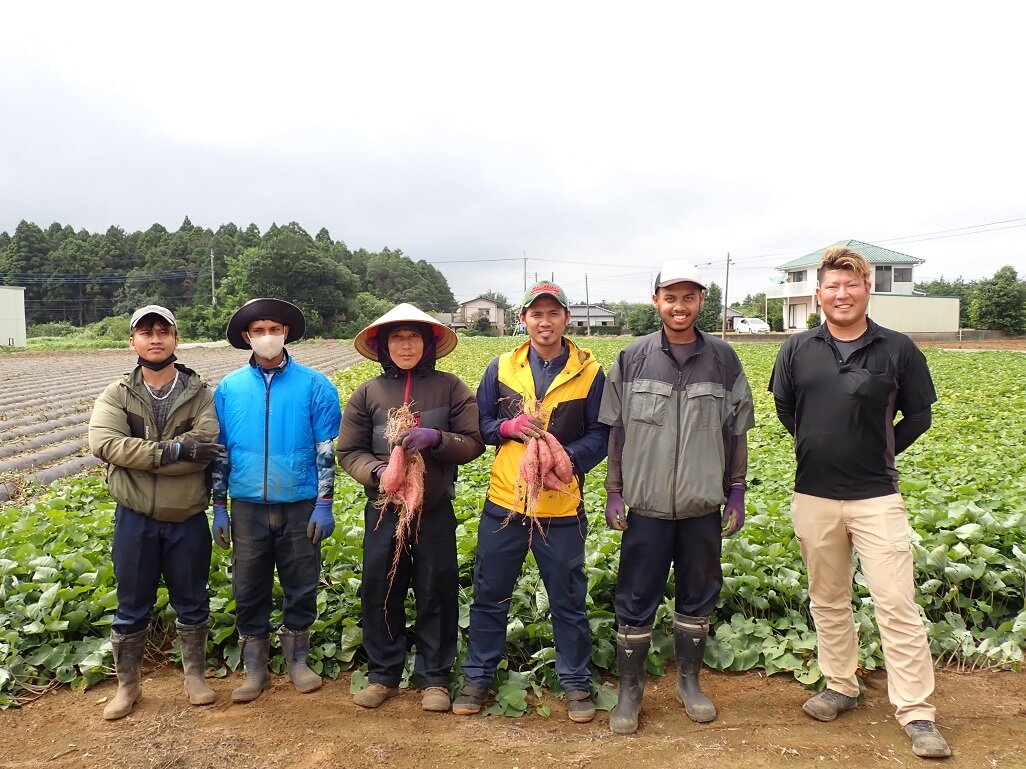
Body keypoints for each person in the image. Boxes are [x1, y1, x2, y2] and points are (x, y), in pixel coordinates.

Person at [769, 246, 951, 759]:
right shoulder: (797, 349)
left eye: (851, 285)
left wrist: (879, 448)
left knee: (896, 602)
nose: (841, 294)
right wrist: (817, 447)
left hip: (877, 498)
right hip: (814, 496)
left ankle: (916, 711)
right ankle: (841, 685)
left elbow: (918, 416)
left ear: (867, 289)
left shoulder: (897, 349)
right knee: (827, 599)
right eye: (831, 286)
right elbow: (787, 408)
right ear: (818, 293)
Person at [599, 261, 754, 735]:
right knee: (635, 595)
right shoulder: (632, 358)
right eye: (670, 297)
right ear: (656, 302)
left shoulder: (724, 359)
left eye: (688, 298)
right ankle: (630, 691)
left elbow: (736, 433)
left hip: (702, 506)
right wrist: (613, 490)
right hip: (644, 506)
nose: (679, 306)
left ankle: (689, 681)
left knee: (698, 593)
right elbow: (617, 434)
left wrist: (736, 492)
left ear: (701, 302)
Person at [453, 281, 608, 723]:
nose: (545, 322)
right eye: (536, 314)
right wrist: (507, 428)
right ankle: (478, 677)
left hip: (560, 507)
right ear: (524, 320)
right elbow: (480, 425)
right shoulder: (501, 367)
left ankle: (576, 682)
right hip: (505, 504)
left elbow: (602, 434)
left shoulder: (591, 371)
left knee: (568, 597)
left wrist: (563, 459)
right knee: (490, 594)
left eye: (553, 313)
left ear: (566, 319)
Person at [337, 303, 485, 712]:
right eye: (397, 338)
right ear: (384, 345)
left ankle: (434, 678)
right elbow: (348, 451)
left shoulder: (450, 387)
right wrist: (380, 471)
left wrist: (436, 438)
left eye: (414, 337)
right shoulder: (368, 392)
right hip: (385, 508)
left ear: (429, 343)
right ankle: (383, 673)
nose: (406, 345)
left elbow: (473, 442)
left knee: (436, 586)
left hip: (433, 508)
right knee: (380, 587)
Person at [88, 305, 224, 720]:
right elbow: (105, 444)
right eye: (145, 332)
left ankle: (194, 676)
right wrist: (174, 449)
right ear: (133, 341)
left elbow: (206, 449)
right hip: (135, 517)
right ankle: (128, 687)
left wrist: (157, 455)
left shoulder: (200, 393)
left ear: (175, 338)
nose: (155, 338)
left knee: (192, 600)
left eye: (163, 331)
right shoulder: (117, 393)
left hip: (186, 516)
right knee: (132, 603)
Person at [211, 298, 342, 703]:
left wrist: (325, 501)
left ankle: (297, 660)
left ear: (285, 333)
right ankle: (255, 668)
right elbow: (220, 451)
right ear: (247, 337)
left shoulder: (315, 385)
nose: (267, 337)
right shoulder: (229, 389)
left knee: (301, 582)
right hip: (247, 505)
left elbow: (326, 448)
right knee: (248, 585)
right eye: (259, 330)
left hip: (300, 502)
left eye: (274, 329)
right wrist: (218, 505)